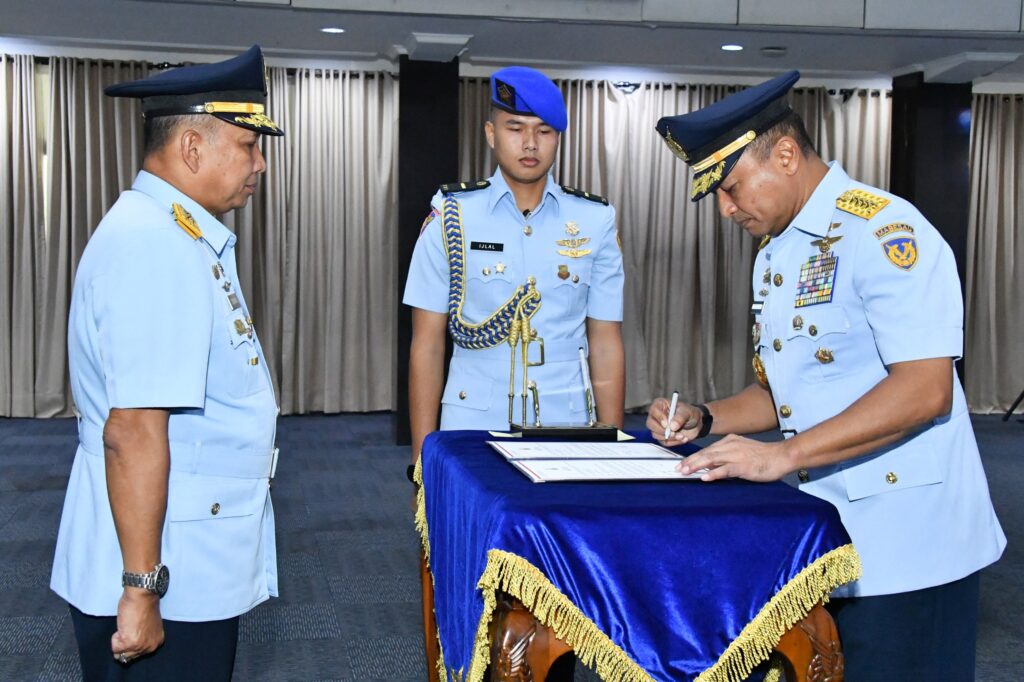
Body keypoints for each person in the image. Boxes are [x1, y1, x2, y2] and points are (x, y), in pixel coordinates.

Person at [647, 70, 1005, 679]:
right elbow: (784, 394)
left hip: (912, 542)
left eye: (732, 188)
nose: (727, 210)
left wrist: (782, 458)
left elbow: (925, 389)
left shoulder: (885, 230)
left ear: (785, 154)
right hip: (827, 531)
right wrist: (704, 416)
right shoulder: (778, 254)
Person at [50, 45, 283, 681]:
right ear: (190, 147)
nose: (259, 163)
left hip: (185, 553)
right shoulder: (157, 247)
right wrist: (142, 589)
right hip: (164, 573)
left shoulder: (174, 231)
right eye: (247, 145)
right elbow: (132, 431)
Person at [404, 66, 626, 461]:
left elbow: (605, 342)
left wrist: (613, 445)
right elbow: (427, 344)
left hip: (567, 420)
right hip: (472, 422)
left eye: (543, 131)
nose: (530, 143)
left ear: (558, 139)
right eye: (515, 128)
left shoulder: (595, 219)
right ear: (491, 134)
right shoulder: (452, 215)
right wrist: (422, 460)